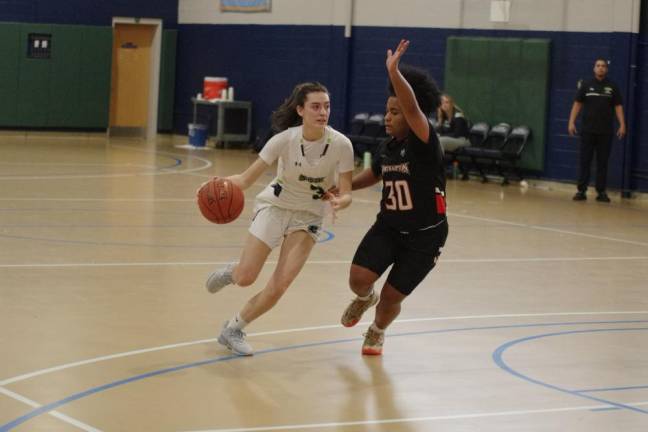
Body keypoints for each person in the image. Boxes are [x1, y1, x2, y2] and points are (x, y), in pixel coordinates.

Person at [204, 82, 354, 356]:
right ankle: (233, 272)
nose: (323, 112)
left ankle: (233, 329)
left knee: (280, 285)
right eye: (316, 106)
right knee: (247, 277)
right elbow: (246, 179)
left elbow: (347, 193)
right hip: (275, 207)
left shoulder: (342, 145)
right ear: (300, 110)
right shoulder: (285, 140)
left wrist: (339, 202)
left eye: (327, 106)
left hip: (308, 217)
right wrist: (217, 185)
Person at [338, 39, 448, 355]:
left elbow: (412, 107)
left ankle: (377, 330)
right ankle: (363, 299)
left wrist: (395, 72)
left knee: (391, 297)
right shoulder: (387, 147)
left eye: (394, 112)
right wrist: (342, 189)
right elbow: (374, 175)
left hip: (426, 236)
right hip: (389, 226)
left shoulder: (424, 139)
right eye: (387, 111)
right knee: (358, 279)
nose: (387, 117)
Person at [568, 58, 626, 202]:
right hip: (588, 131)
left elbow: (618, 107)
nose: (600, 68)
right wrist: (571, 122)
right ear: (594, 68)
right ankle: (581, 191)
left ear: (606, 69)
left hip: (605, 132)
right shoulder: (586, 85)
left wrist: (622, 124)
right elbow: (577, 104)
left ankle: (601, 192)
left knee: (602, 163)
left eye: (603, 66)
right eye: (598, 66)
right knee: (585, 161)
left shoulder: (612, 87)